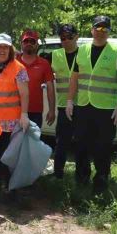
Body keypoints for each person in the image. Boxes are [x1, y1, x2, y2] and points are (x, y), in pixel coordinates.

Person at [66, 15, 117, 194]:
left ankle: (101, 180)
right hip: (83, 106)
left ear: (109, 31)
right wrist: (70, 101)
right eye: (97, 28)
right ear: (92, 30)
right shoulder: (81, 51)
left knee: (103, 146)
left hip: (106, 109)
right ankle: (81, 178)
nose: (100, 32)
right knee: (81, 144)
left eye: (104, 29)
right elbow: (74, 79)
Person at [0, 33, 29, 191]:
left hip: (10, 122)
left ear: (10, 49)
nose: (2, 50)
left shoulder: (19, 68)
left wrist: (24, 114)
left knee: (8, 156)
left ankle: (10, 187)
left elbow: (24, 94)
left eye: (5, 47)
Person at [50, 24, 79, 178]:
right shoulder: (55, 54)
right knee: (61, 143)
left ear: (77, 37)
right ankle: (58, 175)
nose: (66, 40)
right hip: (63, 105)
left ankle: (82, 176)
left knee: (82, 144)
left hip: (82, 104)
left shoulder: (84, 54)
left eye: (69, 37)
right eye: (62, 38)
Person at [17, 29, 55, 128]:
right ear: (21, 44)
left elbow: (50, 89)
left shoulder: (44, 64)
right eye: (26, 41)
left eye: (32, 41)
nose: (29, 43)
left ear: (37, 45)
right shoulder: (14, 62)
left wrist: (52, 110)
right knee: (15, 142)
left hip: (36, 112)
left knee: (33, 142)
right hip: (16, 110)